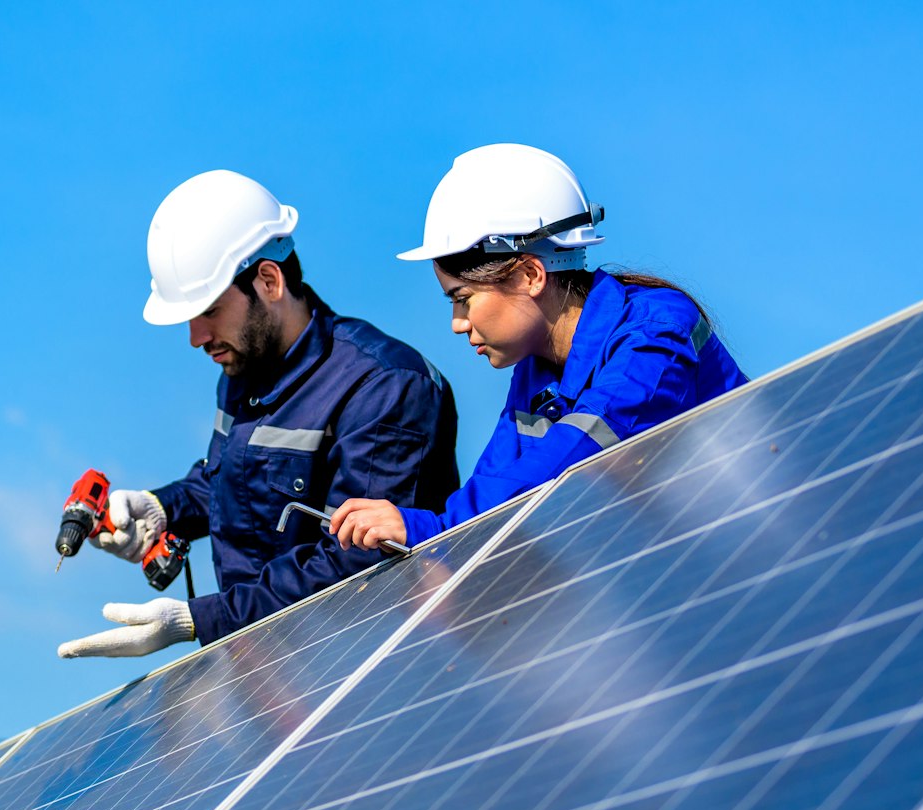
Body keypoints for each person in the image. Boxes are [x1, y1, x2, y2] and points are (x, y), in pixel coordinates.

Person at [57, 169, 459, 659]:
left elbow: (359, 563)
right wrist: (165, 508)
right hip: (268, 678)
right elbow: (231, 483)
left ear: (268, 280)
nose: (195, 337)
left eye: (207, 310)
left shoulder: (383, 385)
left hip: (363, 673)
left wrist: (203, 619)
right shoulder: (243, 369)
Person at [329, 144, 747, 553]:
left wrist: (428, 530)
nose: (457, 324)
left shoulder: (655, 334)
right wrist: (439, 538)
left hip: (755, 550)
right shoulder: (538, 370)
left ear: (530, 274)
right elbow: (497, 481)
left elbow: (572, 464)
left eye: (463, 298)